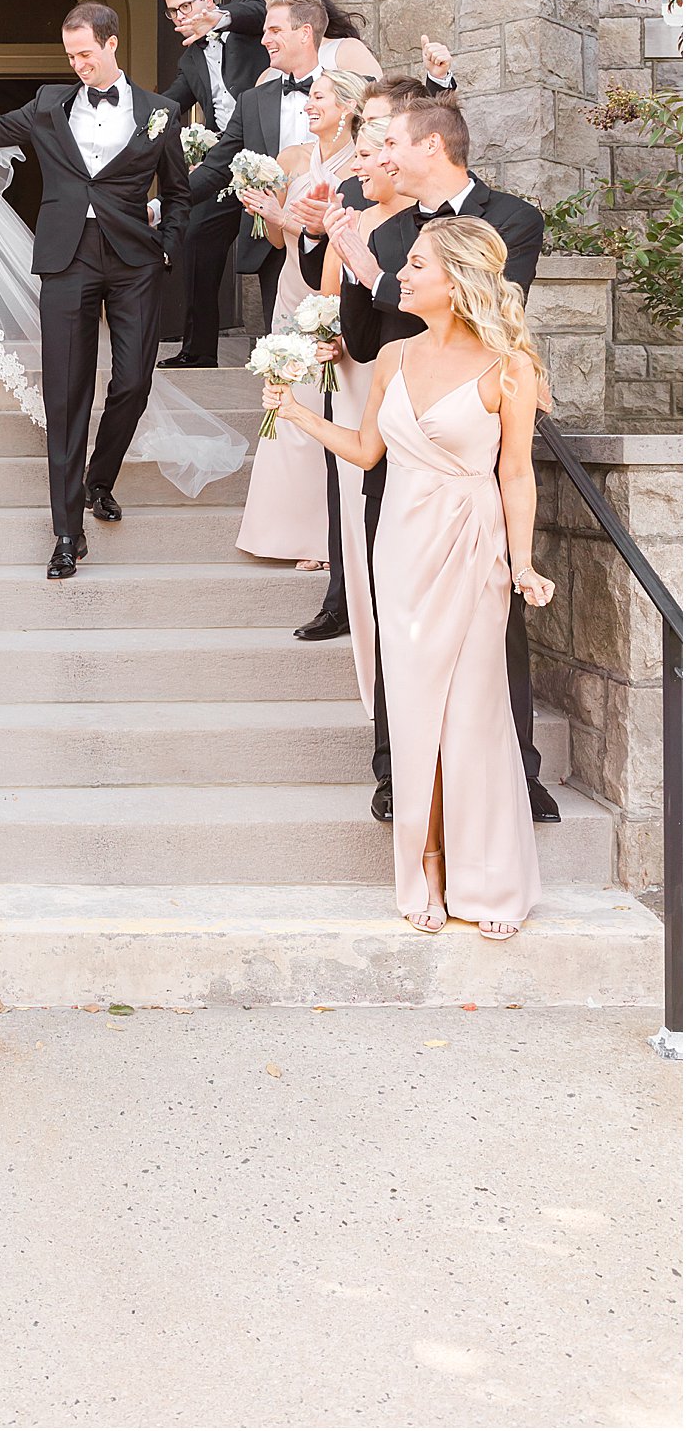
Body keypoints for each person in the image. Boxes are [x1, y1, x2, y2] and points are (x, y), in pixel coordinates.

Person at [265, 218, 552, 937]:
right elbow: (366, 452)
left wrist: (522, 561)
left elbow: (515, 473)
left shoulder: (511, 365)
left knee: (475, 712)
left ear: (455, 280)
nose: (404, 274)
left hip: (471, 542)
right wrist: (295, 410)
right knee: (417, 708)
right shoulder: (392, 356)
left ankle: (485, 878)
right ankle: (425, 863)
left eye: (417, 264)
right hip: (399, 547)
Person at [320, 95, 557, 825]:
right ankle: (397, 767)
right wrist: (348, 262)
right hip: (399, 456)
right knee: (402, 621)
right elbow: (364, 342)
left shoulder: (510, 218)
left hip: (469, 454)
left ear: (432, 146)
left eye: (392, 141)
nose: (381, 155)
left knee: (495, 623)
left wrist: (375, 272)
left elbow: (492, 307)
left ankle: (517, 767)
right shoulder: (384, 231)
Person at [0, 4, 192, 580]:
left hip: (135, 261)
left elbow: (179, 192)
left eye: (86, 53)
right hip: (66, 258)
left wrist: (167, 248)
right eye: (71, 55)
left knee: (132, 382)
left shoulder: (160, 111)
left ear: (111, 45)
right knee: (65, 395)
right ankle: (66, 532)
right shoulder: (49, 104)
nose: (78, 64)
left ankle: (99, 479)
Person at [235, 68, 366, 567]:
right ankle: (283, 531)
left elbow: (350, 239)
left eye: (318, 97)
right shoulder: (294, 159)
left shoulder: (361, 169)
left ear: (347, 108)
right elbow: (278, 243)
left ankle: (322, 538)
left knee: (326, 406)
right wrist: (269, 214)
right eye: (309, 97)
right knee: (288, 400)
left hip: (332, 290)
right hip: (292, 286)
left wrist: (292, 218)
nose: (309, 105)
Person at [307, 103, 413, 703]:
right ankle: (352, 616)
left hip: (395, 375)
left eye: (367, 157)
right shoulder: (353, 216)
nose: (359, 167)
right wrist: (327, 337)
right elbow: (327, 297)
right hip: (350, 374)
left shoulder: (421, 229)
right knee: (352, 506)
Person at [186, 0, 328, 330]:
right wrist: (160, 205)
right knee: (285, 354)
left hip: (337, 240)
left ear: (305, 33)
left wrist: (439, 80)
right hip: (275, 247)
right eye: (264, 31)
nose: (264, 40)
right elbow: (216, 168)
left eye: (274, 31)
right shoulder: (252, 102)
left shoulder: (354, 91)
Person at [158, 0, 269, 369]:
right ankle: (199, 349)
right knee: (197, 236)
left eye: (186, 6)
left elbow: (255, 10)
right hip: (223, 160)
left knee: (274, 249)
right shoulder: (190, 58)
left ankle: (281, 341)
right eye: (173, 12)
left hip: (269, 153)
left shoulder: (247, 22)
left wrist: (218, 19)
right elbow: (170, 105)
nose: (180, 17)